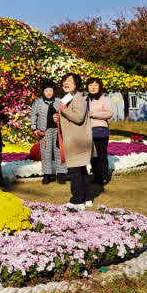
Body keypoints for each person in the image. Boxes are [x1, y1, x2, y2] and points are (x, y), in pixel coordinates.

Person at [54, 73, 94, 208]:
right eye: (64, 80)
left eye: (70, 81)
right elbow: (67, 114)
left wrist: (63, 111)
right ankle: (86, 198)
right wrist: (59, 117)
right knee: (81, 171)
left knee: (75, 171)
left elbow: (78, 117)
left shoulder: (78, 98)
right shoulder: (68, 97)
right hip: (75, 138)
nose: (66, 83)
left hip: (77, 140)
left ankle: (77, 201)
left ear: (76, 84)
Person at [30, 81, 66, 184]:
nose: (49, 92)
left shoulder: (59, 101)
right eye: (46, 90)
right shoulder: (38, 102)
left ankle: (61, 174)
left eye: (51, 90)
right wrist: (34, 128)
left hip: (58, 130)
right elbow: (33, 115)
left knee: (59, 152)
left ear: (54, 91)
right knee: (46, 152)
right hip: (44, 131)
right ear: (43, 92)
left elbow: (66, 113)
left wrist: (60, 118)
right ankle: (47, 175)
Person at [87, 77, 113, 185]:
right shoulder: (85, 99)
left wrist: (93, 114)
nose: (93, 87)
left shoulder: (104, 99)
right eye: (91, 85)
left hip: (100, 130)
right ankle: (96, 177)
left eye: (95, 85)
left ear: (99, 86)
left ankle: (103, 177)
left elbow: (109, 113)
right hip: (87, 131)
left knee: (101, 155)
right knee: (92, 155)